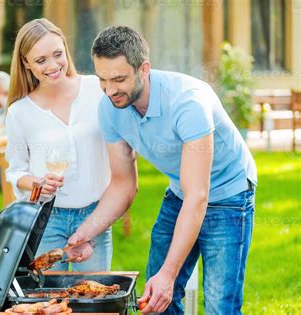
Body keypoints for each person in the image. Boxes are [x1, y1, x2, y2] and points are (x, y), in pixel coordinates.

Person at [67, 26, 257, 314]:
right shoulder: (109, 109)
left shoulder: (188, 103)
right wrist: (86, 233)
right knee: (155, 301)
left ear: (144, 69)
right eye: (102, 79)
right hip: (182, 191)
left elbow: (198, 196)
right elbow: (122, 184)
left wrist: (170, 275)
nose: (109, 90)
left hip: (229, 196)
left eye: (119, 79)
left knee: (221, 304)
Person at [5, 18, 112, 272]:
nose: (53, 66)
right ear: (26, 64)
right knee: (48, 303)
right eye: (41, 60)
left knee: (94, 304)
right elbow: (16, 171)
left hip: (95, 215)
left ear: (66, 49)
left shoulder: (96, 90)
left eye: (57, 54)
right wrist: (37, 184)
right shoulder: (19, 112)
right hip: (46, 218)